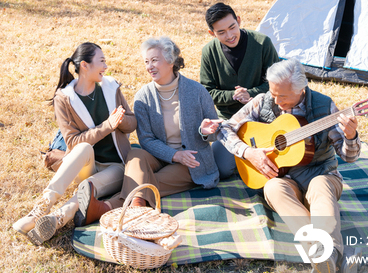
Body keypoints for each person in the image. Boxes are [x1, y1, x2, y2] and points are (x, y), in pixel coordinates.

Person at [217, 57, 361, 273]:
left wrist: (351, 137)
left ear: (301, 89)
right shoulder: (263, 101)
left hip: (320, 173)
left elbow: (348, 156)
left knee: (320, 186)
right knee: (273, 188)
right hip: (284, 177)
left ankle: (326, 253)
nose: (276, 100)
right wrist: (248, 152)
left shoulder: (325, 107)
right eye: (274, 93)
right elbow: (225, 127)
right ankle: (335, 255)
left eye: (282, 96)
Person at [75, 36, 220, 219]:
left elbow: (216, 133)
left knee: (142, 182)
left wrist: (205, 133)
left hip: (191, 161)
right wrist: (174, 155)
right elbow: (146, 139)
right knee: (135, 154)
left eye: (154, 60)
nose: (149, 66)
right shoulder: (143, 96)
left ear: (170, 60)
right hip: (160, 156)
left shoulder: (197, 91)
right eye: (146, 61)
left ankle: (106, 208)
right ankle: (134, 210)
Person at [12, 42, 136, 244]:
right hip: (86, 164)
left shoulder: (111, 87)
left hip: (115, 166)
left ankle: (58, 218)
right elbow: (72, 141)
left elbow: (132, 123)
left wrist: (121, 120)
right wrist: (107, 126)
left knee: (88, 187)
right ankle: (40, 208)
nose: (105, 66)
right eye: (101, 61)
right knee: (84, 147)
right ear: (85, 66)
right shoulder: (64, 98)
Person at [200, 2, 279, 177]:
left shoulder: (262, 43)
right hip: (228, 122)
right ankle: (245, 154)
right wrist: (234, 96)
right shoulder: (209, 52)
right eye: (221, 32)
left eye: (232, 27)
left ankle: (247, 154)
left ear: (239, 21)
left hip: (263, 116)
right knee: (223, 169)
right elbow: (206, 91)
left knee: (276, 161)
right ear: (211, 33)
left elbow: (277, 83)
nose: (229, 35)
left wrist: (250, 94)